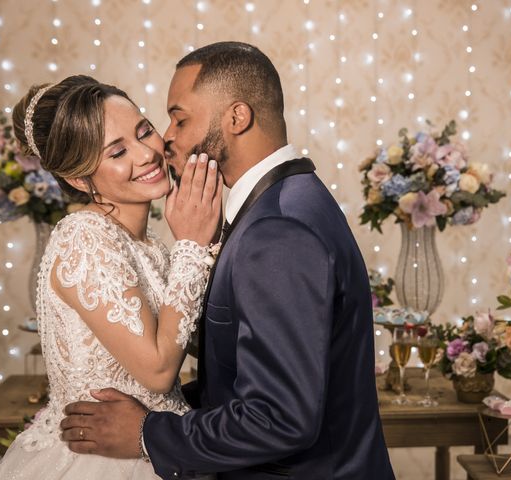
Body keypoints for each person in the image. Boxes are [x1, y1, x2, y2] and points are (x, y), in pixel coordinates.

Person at [61, 42, 394, 479]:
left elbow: (278, 416)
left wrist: (148, 432)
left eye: (179, 117)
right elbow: (248, 376)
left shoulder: (278, 230)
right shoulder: (283, 204)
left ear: (237, 117)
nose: (167, 138)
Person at [0, 75, 222, 479]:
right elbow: (157, 370)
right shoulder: (85, 237)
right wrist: (194, 248)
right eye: (117, 152)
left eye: (144, 131)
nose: (147, 154)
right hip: (108, 463)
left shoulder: (148, 246)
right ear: (79, 179)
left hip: (159, 446)